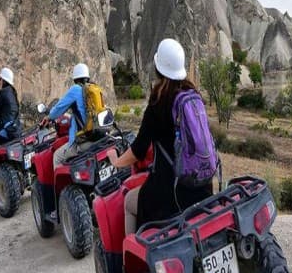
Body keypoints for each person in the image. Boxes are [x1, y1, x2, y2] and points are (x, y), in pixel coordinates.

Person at [106, 39, 214, 236]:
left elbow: (138, 150)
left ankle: (130, 254)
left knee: (129, 202)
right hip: (203, 187)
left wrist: (116, 161)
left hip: (172, 193)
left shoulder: (158, 103)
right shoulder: (194, 96)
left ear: (158, 68)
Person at [47, 63, 95, 168]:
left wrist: (48, 117)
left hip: (84, 139)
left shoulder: (76, 89)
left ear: (75, 78)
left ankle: (63, 179)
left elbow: (58, 109)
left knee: (57, 156)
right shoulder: (93, 89)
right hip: (97, 134)